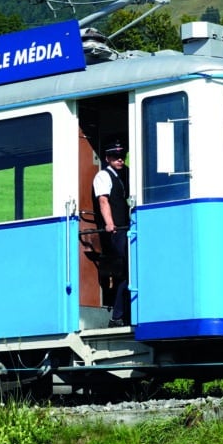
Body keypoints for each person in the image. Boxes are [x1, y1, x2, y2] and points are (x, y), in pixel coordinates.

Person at [92, 140, 131, 327]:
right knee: (124, 271)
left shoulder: (124, 175)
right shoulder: (103, 176)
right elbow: (103, 201)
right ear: (107, 158)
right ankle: (117, 316)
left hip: (126, 228)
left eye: (122, 156)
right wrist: (110, 224)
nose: (120, 159)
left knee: (128, 270)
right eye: (115, 156)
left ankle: (122, 314)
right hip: (116, 231)